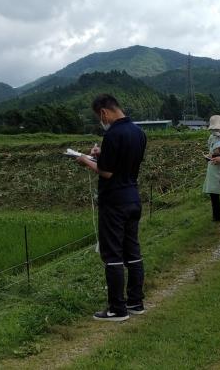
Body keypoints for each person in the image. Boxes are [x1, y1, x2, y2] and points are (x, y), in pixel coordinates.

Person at [76, 94, 147, 321]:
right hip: (133, 197)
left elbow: (107, 172)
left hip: (114, 201)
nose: (101, 120)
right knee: (132, 252)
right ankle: (136, 302)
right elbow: (122, 161)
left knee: (113, 254)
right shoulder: (139, 133)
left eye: (99, 116)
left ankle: (117, 308)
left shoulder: (112, 134)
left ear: (104, 113)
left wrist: (85, 160)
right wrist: (101, 154)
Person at [203, 115, 220, 222]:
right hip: (212, 167)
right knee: (213, 192)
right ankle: (216, 215)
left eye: (216, 128)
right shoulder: (211, 137)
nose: (214, 131)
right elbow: (210, 149)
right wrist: (209, 156)